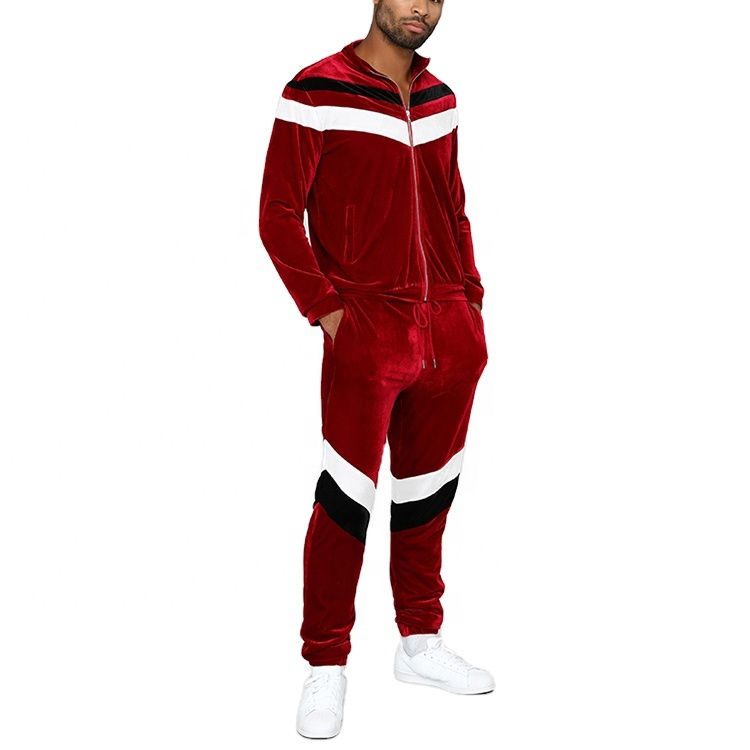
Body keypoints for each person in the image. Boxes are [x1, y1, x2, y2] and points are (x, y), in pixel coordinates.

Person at [259, 1, 493, 739]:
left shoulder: (441, 98)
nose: (421, 8)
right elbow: (277, 213)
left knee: (429, 492)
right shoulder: (315, 90)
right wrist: (329, 311)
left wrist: (469, 302)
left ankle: (420, 642)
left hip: (448, 332)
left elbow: (454, 209)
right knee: (345, 500)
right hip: (367, 330)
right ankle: (326, 663)